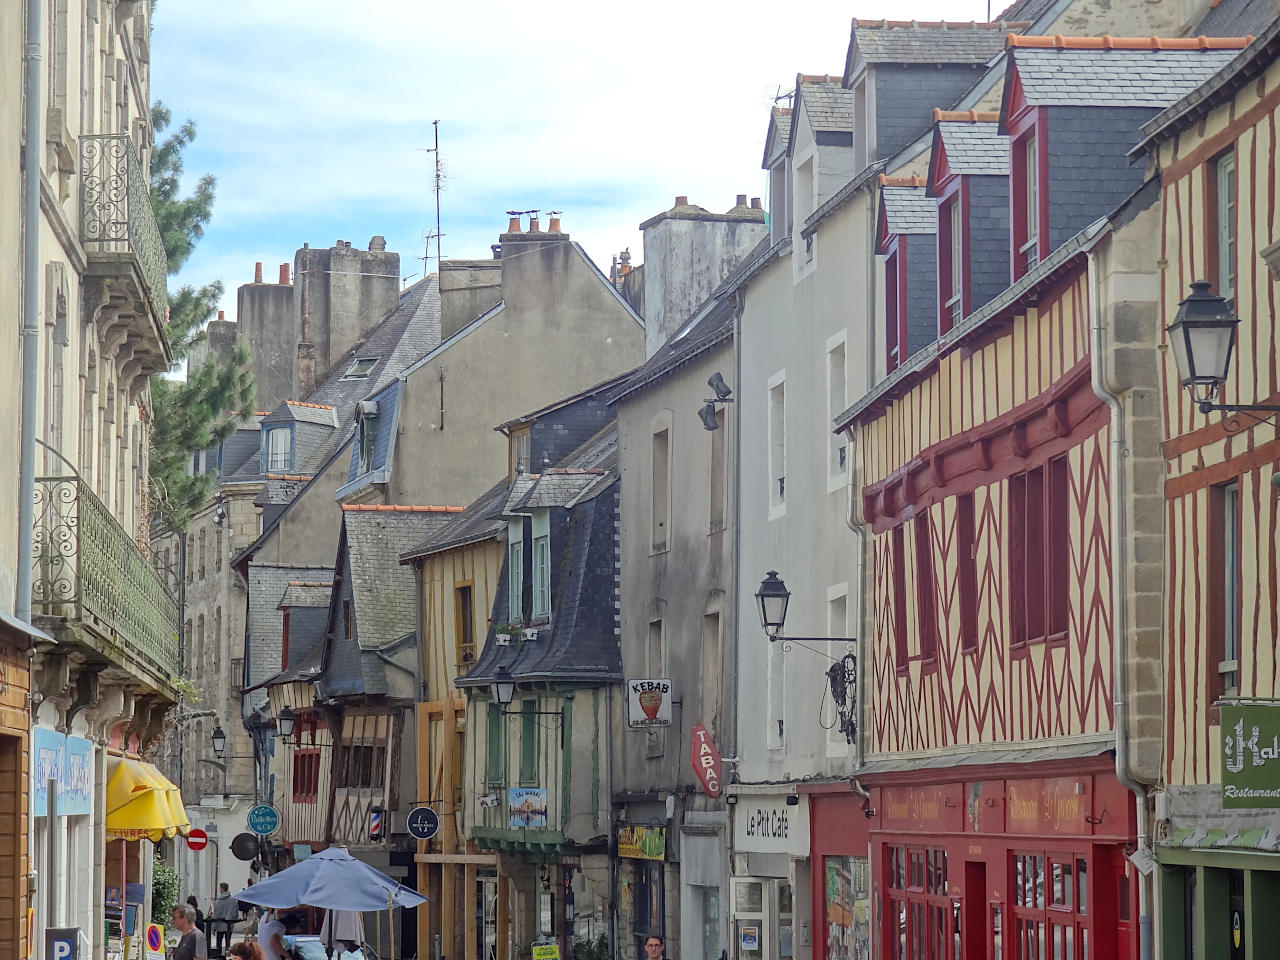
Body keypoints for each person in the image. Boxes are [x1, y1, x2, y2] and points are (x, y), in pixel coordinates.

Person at [210, 882, 239, 957]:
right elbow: (236, 913)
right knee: (228, 943)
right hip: (229, 925)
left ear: (222, 889)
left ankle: (218, 957)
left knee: (218, 944)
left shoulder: (217, 901)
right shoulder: (233, 900)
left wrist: (213, 928)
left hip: (219, 925)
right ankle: (228, 956)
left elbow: (215, 915)